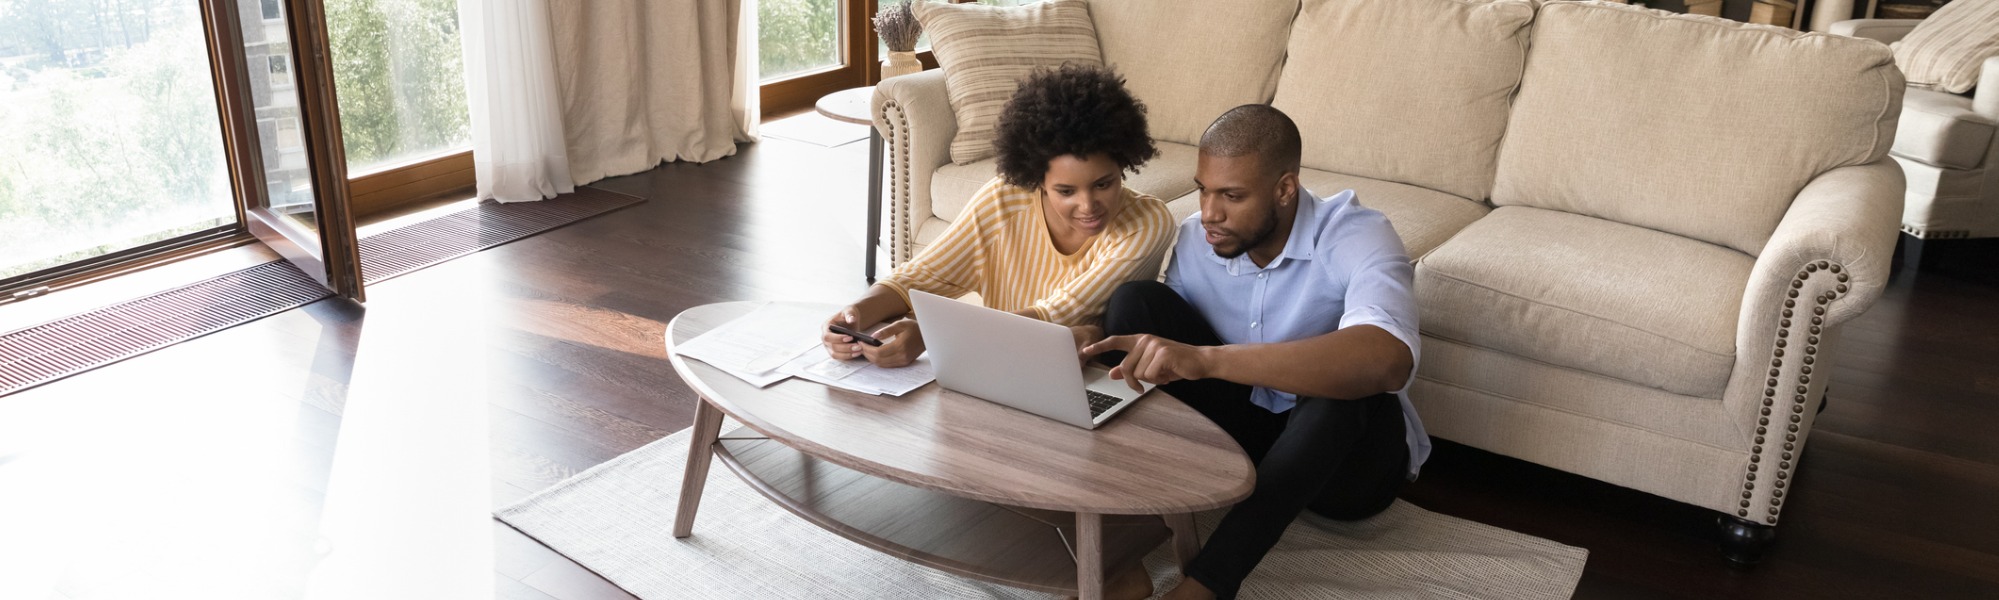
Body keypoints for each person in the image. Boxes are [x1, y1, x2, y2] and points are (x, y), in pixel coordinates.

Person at [1081, 105, 1431, 600]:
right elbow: (1169, 346)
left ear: (1285, 189)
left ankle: (1206, 584)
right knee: (1135, 305)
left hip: (1347, 471)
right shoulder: (1198, 239)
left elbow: (1387, 359)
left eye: (1232, 196)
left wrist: (1209, 360)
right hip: (1246, 436)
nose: (1208, 212)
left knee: (1344, 388)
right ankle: (1119, 548)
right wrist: (1088, 335)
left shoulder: (1356, 234)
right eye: (1203, 189)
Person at [823, 64, 1174, 367]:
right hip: (989, 364)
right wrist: (854, 314)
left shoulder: (1146, 223)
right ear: (1038, 179)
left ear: (1125, 165)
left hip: (1080, 379)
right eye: (1066, 191)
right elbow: (922, 275)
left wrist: (932, 335)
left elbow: (1055, 314)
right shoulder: (1004, 200)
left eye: (1103, 184)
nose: (1088, 205)